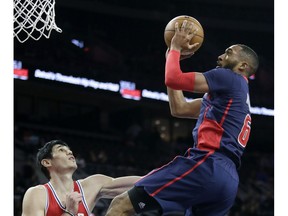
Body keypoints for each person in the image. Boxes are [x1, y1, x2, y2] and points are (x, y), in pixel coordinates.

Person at [105, 19, 259, 216]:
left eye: (228, 52)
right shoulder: (235, 97)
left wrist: (175, 47)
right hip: (228, 181)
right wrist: (172, 57)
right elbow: (180, 108)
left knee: (121, 205)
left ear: (243, 66)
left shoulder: (229, 78)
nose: (220, 57)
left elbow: (173, 78)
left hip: (207, 163)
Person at [21, 139, 141, 216]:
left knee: (119, 205)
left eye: (69, 150)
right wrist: (69, 212)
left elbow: (143, 182)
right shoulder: (37, 194)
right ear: (47, 163)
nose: (70, 152)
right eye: (61, 150)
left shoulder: (92, 185)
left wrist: (160, 175)